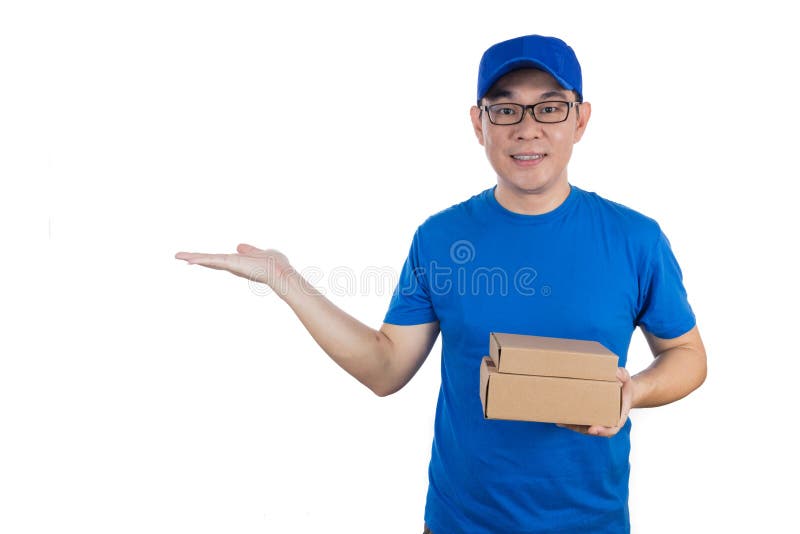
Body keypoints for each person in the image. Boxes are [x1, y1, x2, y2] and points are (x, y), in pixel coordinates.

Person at [175, 34, 707, 534]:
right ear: (479, 124)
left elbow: (687, 355)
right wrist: (286, 281)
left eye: (549, 108)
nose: (527, 129)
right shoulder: (441, 239)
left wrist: (634, 391)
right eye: (505, 110)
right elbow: (385, 368)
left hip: (591, 522)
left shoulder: (636, 239)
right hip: (460, 522)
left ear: (580, 119)